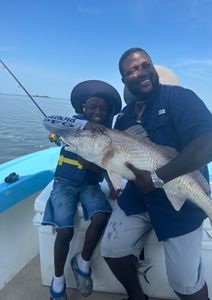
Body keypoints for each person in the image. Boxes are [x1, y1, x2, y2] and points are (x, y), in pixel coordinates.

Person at [100, 48, 212, 300]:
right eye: (132, 70)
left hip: (181, 199)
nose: (141, 72)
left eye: (146, 65)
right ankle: (137, 296)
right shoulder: (123, 116)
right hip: (137, 197)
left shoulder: (179, 98)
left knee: (185, 284)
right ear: (124, 80)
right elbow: (112, 162)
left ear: (153, 68)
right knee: (111, 250)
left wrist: (158, 178)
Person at [43, 80, 122, 300]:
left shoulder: (107, 132)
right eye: (93, 107)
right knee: (65, 230)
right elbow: (48, 120)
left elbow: (109, 160)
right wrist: (83, 126)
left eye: (103, 109)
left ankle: (83, 262)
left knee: (101, 215)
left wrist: (114, 184)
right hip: (64, 183)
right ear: (83, 108)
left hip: (90, 185)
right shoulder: (72, 122)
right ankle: (58, 279)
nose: (98, 112)